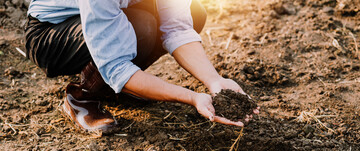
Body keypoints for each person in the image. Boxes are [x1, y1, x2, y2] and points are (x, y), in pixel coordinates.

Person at [25, 0, 259, 133]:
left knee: (194, 12)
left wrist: (214, 81)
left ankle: (117, 90)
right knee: (142, 29)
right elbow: (116, 66)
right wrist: (192, 97)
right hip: (50, 32)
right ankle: (82, 96)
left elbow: (177, 29)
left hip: (105, 17)